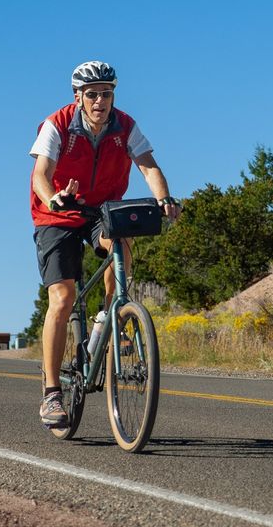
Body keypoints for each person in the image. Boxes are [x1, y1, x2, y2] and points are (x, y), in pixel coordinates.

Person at [29, 61, 180, 427]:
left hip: (103, 210)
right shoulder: (58, 124)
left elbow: (148, 166)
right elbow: (40, 175)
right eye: (92, 94)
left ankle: (114, 317)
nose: (100, 101)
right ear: (78, 97)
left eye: (107, 94)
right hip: (58, 213)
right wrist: (53, 199)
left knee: (121, 247)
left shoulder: (125, 126)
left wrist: (164, 198)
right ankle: (51, 393)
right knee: (62, 298)